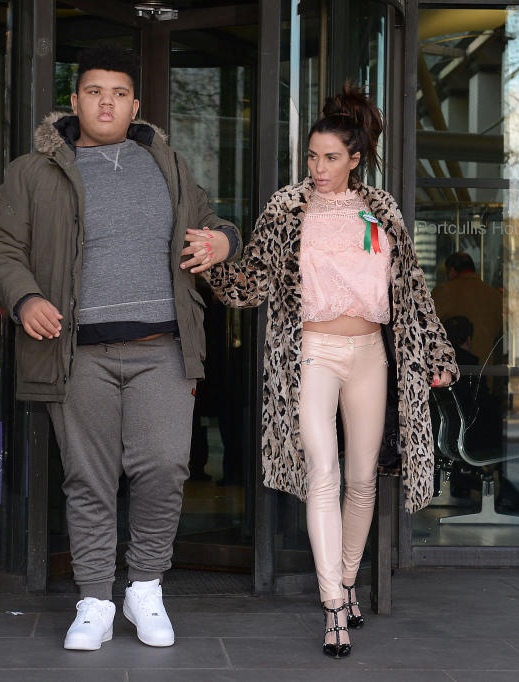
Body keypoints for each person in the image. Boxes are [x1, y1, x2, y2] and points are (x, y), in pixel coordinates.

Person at [0, 45, 240, 651]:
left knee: (167, 468)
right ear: (74, 101)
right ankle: (94, 599)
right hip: (77, 353)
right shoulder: (33, 171)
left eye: (119, 93)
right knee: (88, 479)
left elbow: (215, 224)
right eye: (95, 92)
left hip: (163, 349)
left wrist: (222, 243)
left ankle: (145, 586)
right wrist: (25, 300)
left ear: (134, 104)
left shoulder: (168, 165)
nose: (106, 102)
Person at [184, 84, 457, 658]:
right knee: (323, 475)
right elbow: (255, 280)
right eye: (312, 156)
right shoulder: (288, 208)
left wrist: (435, 354)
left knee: (362, 481)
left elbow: (409, 290)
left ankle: (349, 580)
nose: (320, 167)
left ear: (355, 159)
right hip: (312, 355)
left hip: (370, 356)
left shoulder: (382, 210)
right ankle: (333, 603)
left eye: (331, 157)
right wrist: (217, 258)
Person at [430, 252, 503, 366]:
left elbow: (430, 328)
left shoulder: (443, 292)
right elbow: (500, 333)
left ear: (452, 271)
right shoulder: (494, 295)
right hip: (486, 367)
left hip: (454, 366)